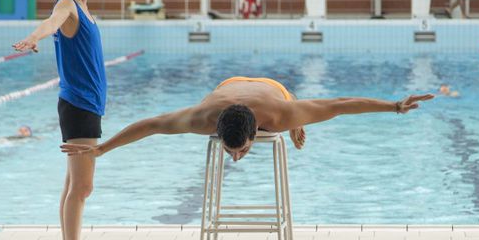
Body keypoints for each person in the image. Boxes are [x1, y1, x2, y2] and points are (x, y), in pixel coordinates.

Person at [12, 0, 113, 240]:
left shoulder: (84, 7)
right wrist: (32, 37)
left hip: (86, 105)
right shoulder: (68, 5)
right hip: (79, 106)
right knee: (83, 187)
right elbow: (51, 22)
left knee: (73, 185)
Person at [60, 76, 434, 163]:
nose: (235, 157)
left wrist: (395, 107)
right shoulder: (201, 119)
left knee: (296, 116)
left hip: (275, 92)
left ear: (255, 132)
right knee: (294, 120)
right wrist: (103, 149)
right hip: (228, 87)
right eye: (231, 150)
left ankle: (297, 121)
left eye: (239, 151)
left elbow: (340, 103)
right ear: (216, 130)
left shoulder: (280, 115)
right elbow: (151, 125)